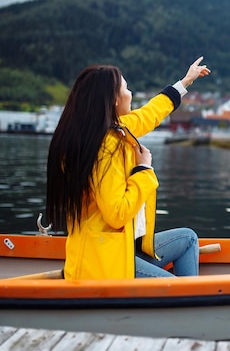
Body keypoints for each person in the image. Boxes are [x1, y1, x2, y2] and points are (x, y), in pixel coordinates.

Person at [45, 57, 211, 280]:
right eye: (126, 87)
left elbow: (148, 115)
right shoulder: (104, 146)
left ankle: (189, 301)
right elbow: (116, 214)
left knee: (188, 239)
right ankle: (190, 305)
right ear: (113, 99)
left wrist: (185, 82)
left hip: (118, 247)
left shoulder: (112, 130)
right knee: (176, 288)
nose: (130, 93)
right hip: (104, 261)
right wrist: (144, 170)